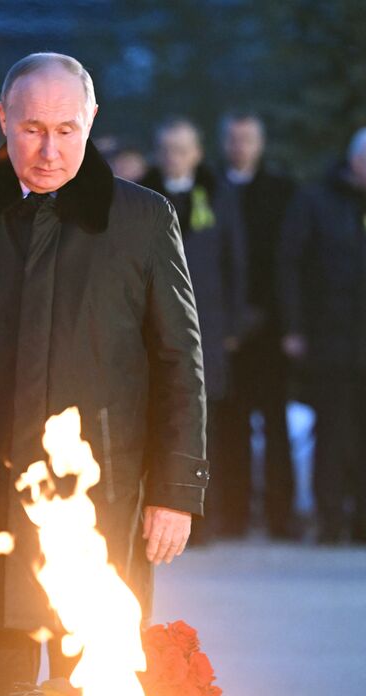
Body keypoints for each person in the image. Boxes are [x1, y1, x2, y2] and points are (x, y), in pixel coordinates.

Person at [0, 52, 208, 696]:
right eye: (33, 128)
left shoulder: (141, 220)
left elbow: (179, 362)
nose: (49, 148)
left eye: (67, 129)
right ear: (3, 120)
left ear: (91, 120)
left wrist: (176, 491)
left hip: (104, 505)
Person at [277, 127, 366, 546]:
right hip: (329, 340)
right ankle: (330, 520)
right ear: (357, 162)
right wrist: (294, 326)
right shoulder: (316, 202)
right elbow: (291, 265)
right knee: (332, 435)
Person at [140, 118, 244, 540]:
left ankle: (204, 519)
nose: (174, 157)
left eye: (183, 149)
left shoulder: (217, 196)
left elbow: (236, 262)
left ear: (197, 154)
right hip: (152, 330)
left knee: (203, 424)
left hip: (206, 327)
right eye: (167, 148)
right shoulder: (142, 195)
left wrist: (234, 323)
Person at [216, 112, 298, 540]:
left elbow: (288, 258)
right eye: (233, 138)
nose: (240, 146)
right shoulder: (211, 188)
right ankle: (234, 513)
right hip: (226, 331)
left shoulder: (282, 192)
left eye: (247, 138)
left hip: (269, 330)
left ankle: (281, 515)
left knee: (276, 423)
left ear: (260, 143)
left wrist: (272, 316)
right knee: (231, 426)